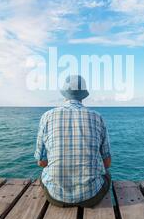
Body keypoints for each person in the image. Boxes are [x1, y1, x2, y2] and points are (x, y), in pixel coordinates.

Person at [34, 75, 112, 207]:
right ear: (83, 95)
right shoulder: (97, 117)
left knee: (44, 174)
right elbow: (107, 163)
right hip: (92, 196)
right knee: (107, 175)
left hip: (56, 196)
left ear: (64, 93)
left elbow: (41, 162)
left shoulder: (47, 117)